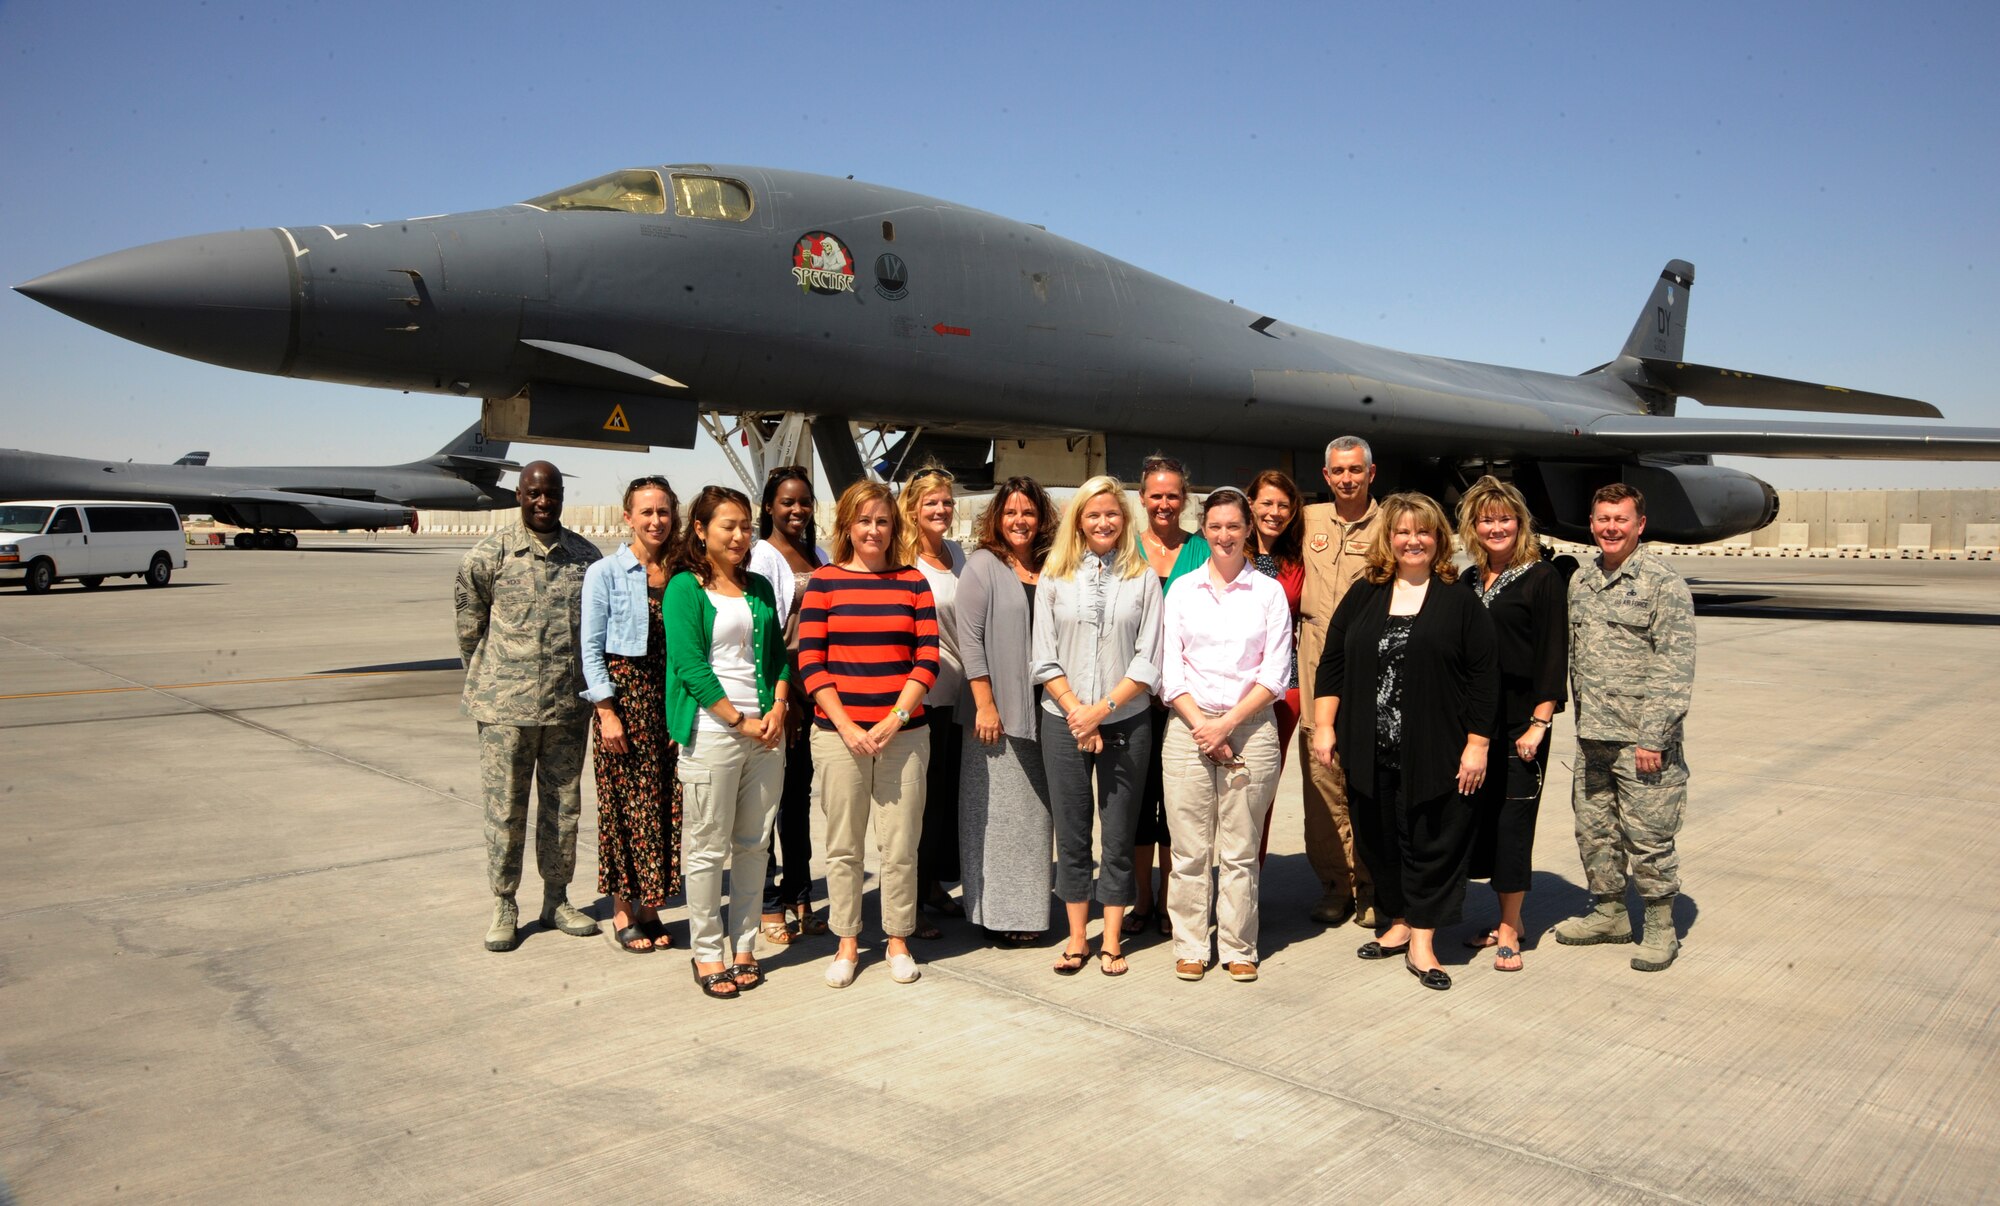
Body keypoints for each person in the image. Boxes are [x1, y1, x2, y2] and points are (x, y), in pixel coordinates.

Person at [1312, 492, 1497, 991]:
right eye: (1403, 532)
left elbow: (1484, 678)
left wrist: (1477, 744)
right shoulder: (1366, 593)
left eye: (1423, 532)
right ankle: (1397, 921)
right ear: (1388, 539)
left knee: (1431, 842)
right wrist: (1325, 725)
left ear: (1438, 539)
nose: (1413, 541)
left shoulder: (1458, 599)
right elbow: (1333, 662)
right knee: (1379, 839)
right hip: (1368, 747)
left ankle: (1423, 940)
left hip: (1436, 748)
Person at [454, 460, 603, 952]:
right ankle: (504, 902)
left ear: (561, 496)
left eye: (551, 493)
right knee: (505, 810)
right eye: (533, 493)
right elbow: (470, 629)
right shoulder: (488, 555)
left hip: (566, 708)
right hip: (505, 711)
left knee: (564, 809)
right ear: (519, 495)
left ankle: (556, 899)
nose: (543, 502)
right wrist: (494, 680)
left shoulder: (585, 557)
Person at [798, 480, 939, 988]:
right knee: (843, 846)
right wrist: (847, 725)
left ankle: (898, 939)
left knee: (900, 845)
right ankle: (847, 941)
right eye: (863, 521)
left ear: (893, 526)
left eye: (882, 521)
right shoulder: (824, 582)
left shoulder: (913, 583)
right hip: (839, 737)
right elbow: (811, 663)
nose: (873, 530)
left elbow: (928, 659)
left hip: (904, 735)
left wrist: (894, 719)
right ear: (847, 526)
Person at [1552, 483, 1696, 972]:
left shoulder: (1662, 583)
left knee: (1649, 837)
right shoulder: (1582, 580)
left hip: (1641, 740)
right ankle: (1610, 912)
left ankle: (1659, 926)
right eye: (1603, 519)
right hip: (1592, 735)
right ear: (1591, 524)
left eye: (1621, 519)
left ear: (1640, 525)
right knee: (1595, 831)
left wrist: (1654, 737)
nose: (1610, 528)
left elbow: (1674, 667)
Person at [663, 486, 793, 999]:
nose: (740, 536)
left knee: (754, 845)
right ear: (700, 530)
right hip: (714, 734)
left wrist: (778, 706)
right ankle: (706, 952)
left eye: (745, 526)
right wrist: (740, 721)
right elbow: (689, 666)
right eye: (728, 526)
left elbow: (778, 656)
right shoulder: (684, 588)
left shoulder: (758, 586)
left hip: (766, 735)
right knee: (707, 848)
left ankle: (743, 946)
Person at [1158, 488, 1292, 982]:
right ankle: (1191, 944)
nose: (1224, 535)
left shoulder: (1269, 593)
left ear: (1248, 529)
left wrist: (1227, 724)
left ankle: (1238, 945)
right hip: (1188, 727)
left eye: (1234, 526)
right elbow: (1170, 672)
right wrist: (1203, 726)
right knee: (1190, 849)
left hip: (1250, 729)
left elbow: (1275, 674)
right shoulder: (1183, 590)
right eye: (1215, 526)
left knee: (1239, 848)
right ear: (1204, 530)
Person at [1032, 475, 1163, 976]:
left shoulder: (1143, 578)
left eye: (1112, 513)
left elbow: (1148, 659)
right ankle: (1075, 938)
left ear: (1124, 519)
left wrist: (1100, 710)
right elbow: (1043, 656)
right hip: (1062, 720)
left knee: (1119, 834)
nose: (1103, 522)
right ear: (1079, 520)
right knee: (1071, 834)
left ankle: (1111, 938)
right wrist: (1077, 713)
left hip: (1125, 719)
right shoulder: (1055, 575)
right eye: (1093, 514)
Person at [1454, 476, 1568, 972]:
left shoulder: (1541, 578)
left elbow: (1552, 654)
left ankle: (1507, 930)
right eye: (1486, 520)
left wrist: (1540, 722)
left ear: (1520, 524)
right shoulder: (1467, 579)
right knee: (1480, 821)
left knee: (1513, 822)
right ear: (1472, 527)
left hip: (1523, 721)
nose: (1495, 528)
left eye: (1504, 519)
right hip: (1475, 722)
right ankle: (1510, 920)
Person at [579, 475, 683, 954]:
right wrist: (607, 712)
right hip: (624, 703)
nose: (656, 520)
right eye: (646, 512)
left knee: (663, 806)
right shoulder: (605, 572)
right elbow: (591, 649)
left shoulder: (682, 573)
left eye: (663, 511)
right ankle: (623, 907)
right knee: (623, 809)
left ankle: (651, 906)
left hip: (668, 701)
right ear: (628, 517)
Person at [956, 476, 1058, 948]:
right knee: (996, 819)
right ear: (997, 517)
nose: (1020, 520)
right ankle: (995, 915)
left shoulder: (1049, 565)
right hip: (995, 715)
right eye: (1011, 512)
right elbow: (970, 641)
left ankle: (1029, 909)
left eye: (1029, 512)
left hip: (1044, 711)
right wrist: (986, 705)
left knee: (1034, 821)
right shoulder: (983, 564)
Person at [1297, 435, 1387, 928]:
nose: (1347, 479)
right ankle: (1336, 883)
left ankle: (1372, 885)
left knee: (1368, 782)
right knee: (1321, 780)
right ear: (1326, 476)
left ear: (1371, 473)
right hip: (1315, 661)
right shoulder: (1307, 520)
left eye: (1356, 470)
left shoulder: (1391, 524)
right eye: (1338, 471)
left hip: (1368, 662)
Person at [748, 467, 828, 945]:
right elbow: (764, 635)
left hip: (815, 691)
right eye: (787, 502)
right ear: (769, 507)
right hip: (781, 694)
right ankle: (768, 902)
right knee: (767, 802)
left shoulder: (819, 556)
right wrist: (784, 698)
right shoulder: (762, 556)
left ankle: (801, 896)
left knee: (798, 802)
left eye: (804, 502)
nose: (797, 510)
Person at [1130, 454, 1201, 937]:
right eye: (1156, 495)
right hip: (1132, 699)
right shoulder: (1127, 549)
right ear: (1142, 498)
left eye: (1172, 495)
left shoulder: (1202, 550)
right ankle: (1142, 897)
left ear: (1184, 499)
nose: (1164, 503)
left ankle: (1170, 901)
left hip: (1184, 701)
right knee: (1139, 805)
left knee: (1177, 807)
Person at [899, 466, 967, 937]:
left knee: (944, 799)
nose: (941, 509)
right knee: (917, 802)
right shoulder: (904, 560)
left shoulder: (957, 553)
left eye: (946, 501)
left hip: (960, 695)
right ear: (912, 509)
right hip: (923, 696)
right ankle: (911, 899)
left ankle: (933, 885)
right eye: (931, 503)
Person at [1246, 469, 1306, 859]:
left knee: (1262, 788)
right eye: (1266, 502)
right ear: (1250, 503)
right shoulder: (1228, 549)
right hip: (1231, 682)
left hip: (1286, 685)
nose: (1274, 512)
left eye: (1283, 505)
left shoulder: (1298, 558)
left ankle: (1251, 879)